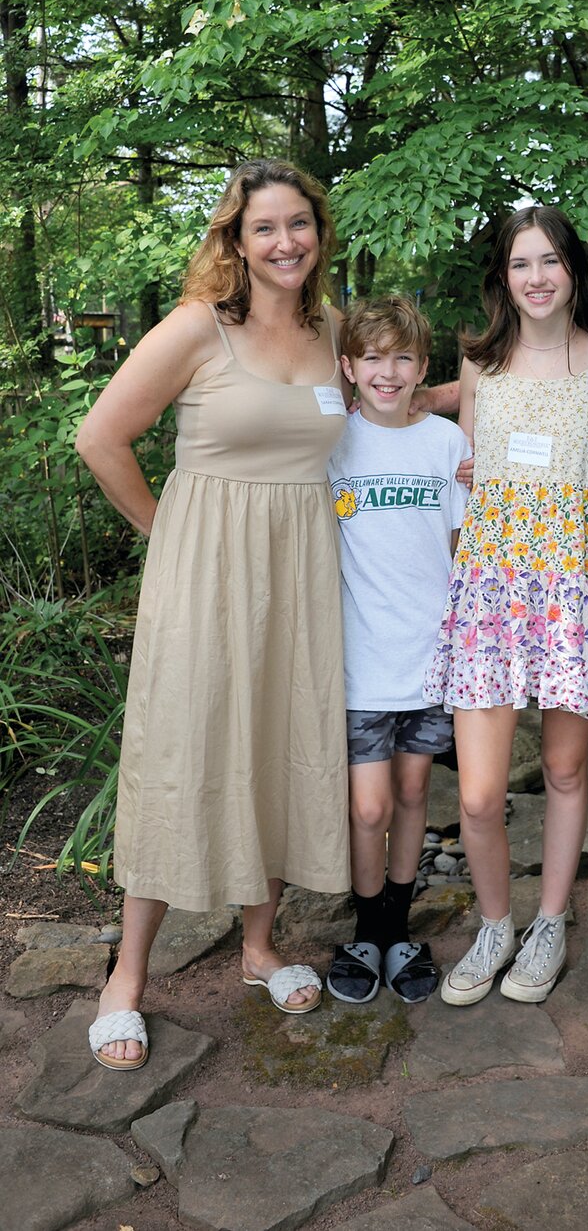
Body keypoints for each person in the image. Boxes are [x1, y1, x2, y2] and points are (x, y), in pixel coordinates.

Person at [75, 159, 351, 1070]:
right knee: (182, 747)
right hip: (206, 568)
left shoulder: (333, 331)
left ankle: (261, 946)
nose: (285, 242)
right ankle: (128, 976)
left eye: (299, 224)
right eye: (265, 227)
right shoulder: (199, 327)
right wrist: (165, 535)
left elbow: (388, 412)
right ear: (236, 239)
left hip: (303, 567)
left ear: (319, 233)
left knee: (281, 738)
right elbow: (100, 436)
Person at [423, 206, 588, 1006]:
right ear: (503, 277)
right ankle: (494, 921)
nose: (537, 277)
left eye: (550, 261)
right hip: (491, 588)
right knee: (477, 792)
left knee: (564, 767)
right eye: (521, 263)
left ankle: (549, 920)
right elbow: (465, 476)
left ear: (574, 271)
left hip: (574, 589)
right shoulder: (480, 363)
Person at [324, 295, 471, 1005]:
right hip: (361, 667)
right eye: (373, 358)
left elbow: (458, 547)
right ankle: (364, 928)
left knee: (415, 792)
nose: (389, 371)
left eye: (404, 358)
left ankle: (396, 930)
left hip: (431, 661)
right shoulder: (331, 445)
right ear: (349, 367)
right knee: (371, 807)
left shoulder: (445, 444)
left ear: (422, 368)